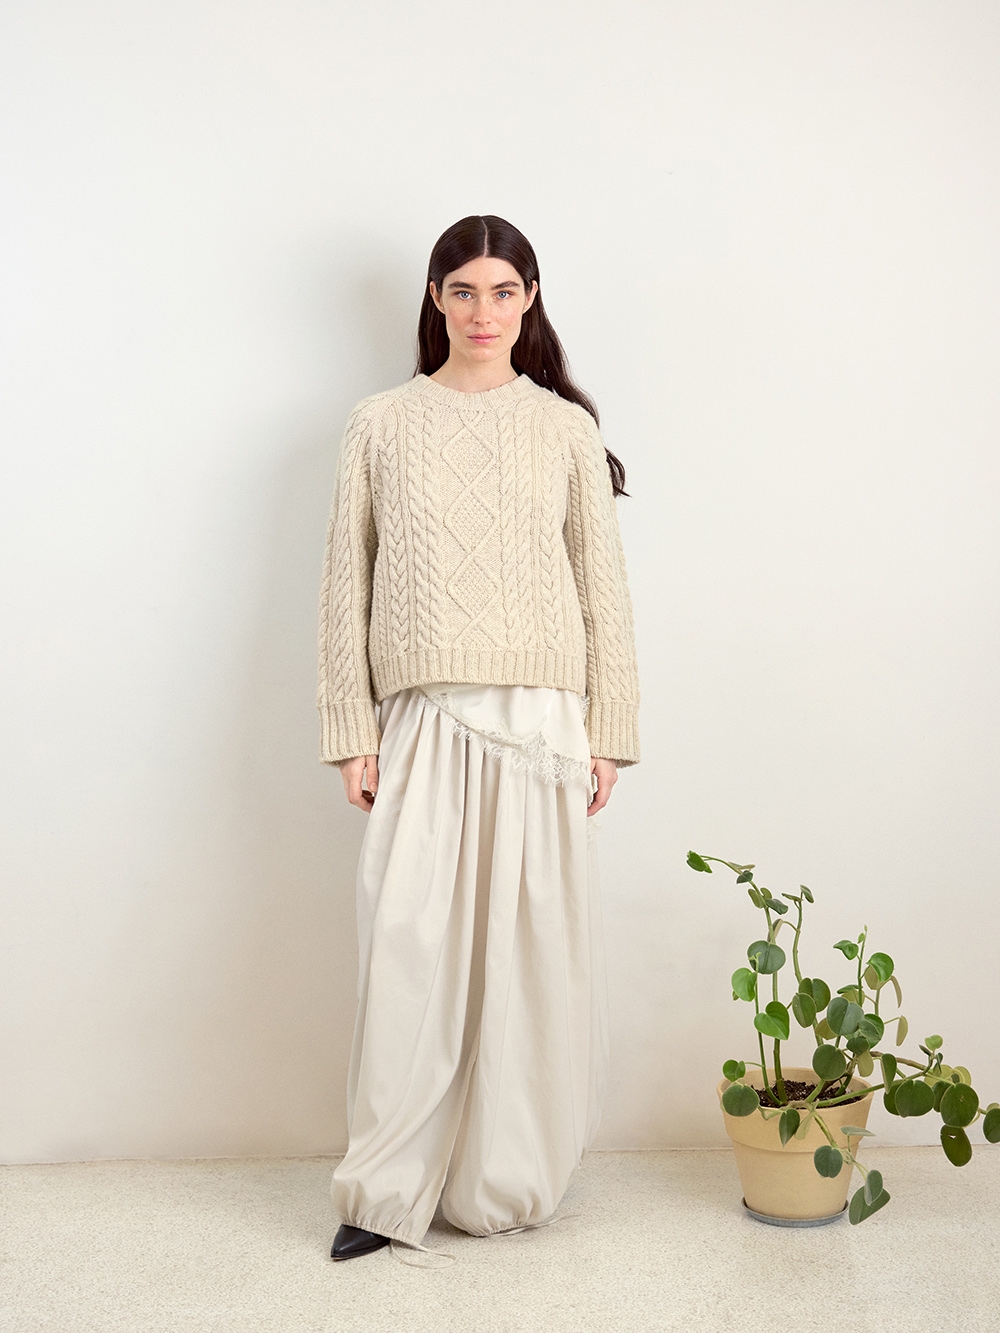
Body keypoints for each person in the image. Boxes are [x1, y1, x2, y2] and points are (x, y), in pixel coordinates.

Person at [317, 215, 641, 1262]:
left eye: (503, 291)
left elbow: (602, 590)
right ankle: (383, 1191)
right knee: (408, 948)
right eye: (463, 291)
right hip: (422, 716)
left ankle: (503, 1183)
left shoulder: (564, 429)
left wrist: (608, 732)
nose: (483, 311)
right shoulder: (379, 423)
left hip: (542, 722)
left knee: (529, 958)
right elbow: (345, 583)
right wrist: (351, 729)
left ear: (529, 298)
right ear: (435, 298)